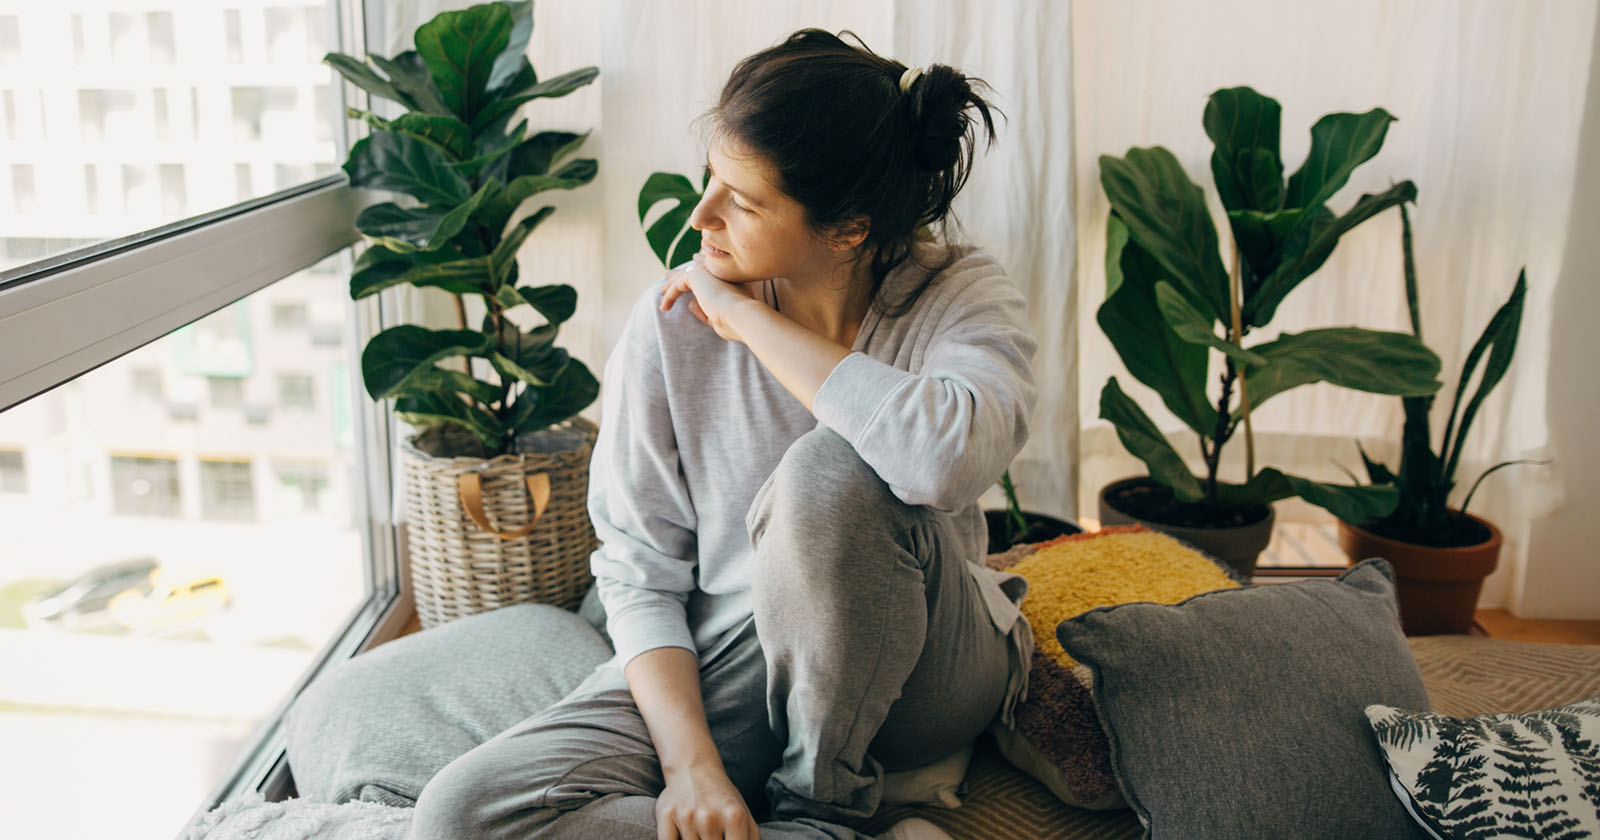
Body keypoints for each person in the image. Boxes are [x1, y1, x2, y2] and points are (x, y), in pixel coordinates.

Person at [411, 29, 1037, 840]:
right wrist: (691, 767)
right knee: (461, 817)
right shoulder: (670, 325)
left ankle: (820, 809)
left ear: (850, 228)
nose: (702, 216)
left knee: (829, 472)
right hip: (742, 659)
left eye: (742, 201)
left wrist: (745, 319)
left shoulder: (956, 295)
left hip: (927, 670)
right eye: (712, 180)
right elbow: (639, 570)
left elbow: (942, 459)